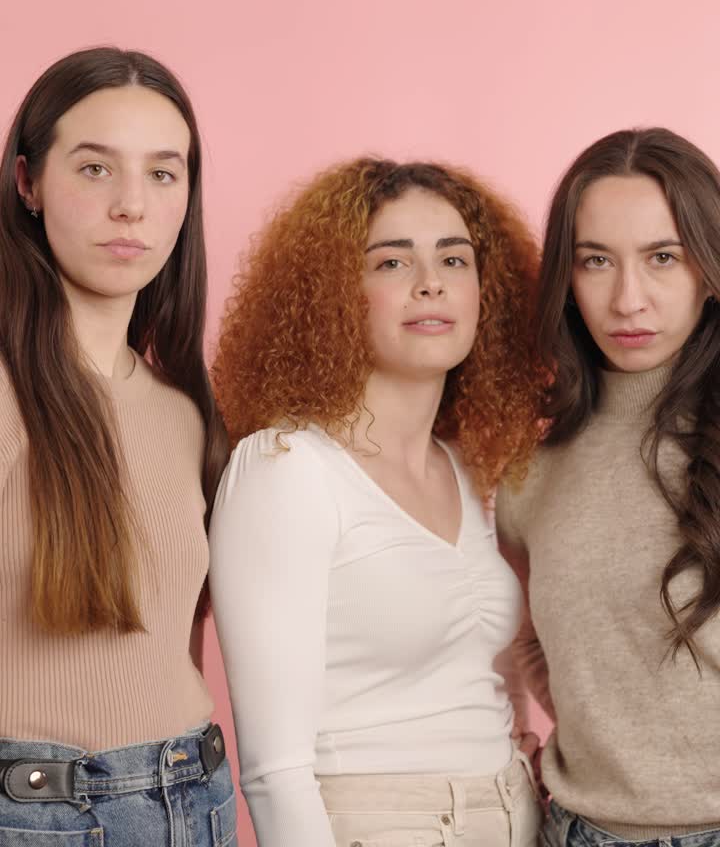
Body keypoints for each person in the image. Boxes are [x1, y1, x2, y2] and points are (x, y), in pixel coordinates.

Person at [210, 157, 545, 847]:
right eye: (392, 263)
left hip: (515, 816)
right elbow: (275, 771)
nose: (430, 282)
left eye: (454, 259)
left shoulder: (467, 467)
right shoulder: (287, 467)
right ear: (334, 296)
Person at [0, 47, 233, 845]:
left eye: (163, 174)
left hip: (196, 799)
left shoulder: (185, 413)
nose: (132, 206)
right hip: (38, 816)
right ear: (28, 182)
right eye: (95, 169)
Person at [497, 126, 720, 845]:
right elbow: (535, 639)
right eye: (596, 261)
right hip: (578, 829)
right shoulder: (532, 465)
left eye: (663, 257)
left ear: (709, 268)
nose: (628, 300)